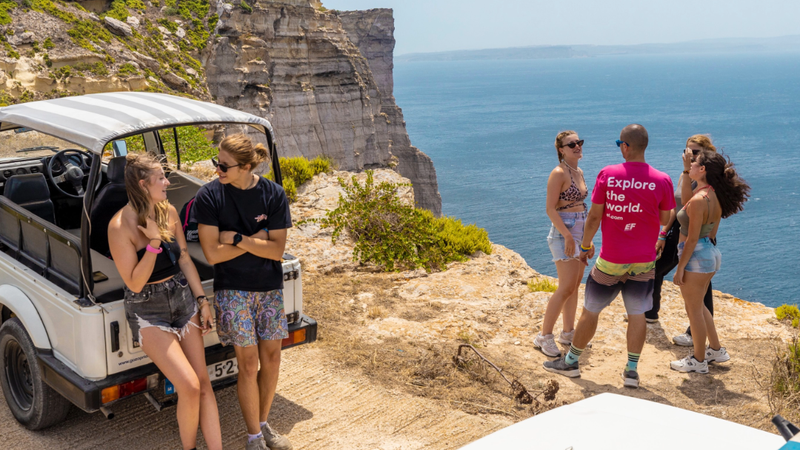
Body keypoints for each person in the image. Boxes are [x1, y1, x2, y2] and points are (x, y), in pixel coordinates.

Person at [543, 124, 675, 389]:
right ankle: (631, 371)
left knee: (591, 310)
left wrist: (585, 245)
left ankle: (570, 362)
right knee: (637, 313)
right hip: (644, 259)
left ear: (625, 147)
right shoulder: (662, 179)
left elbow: (594, 216)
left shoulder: (609, 175)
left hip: (612, 259)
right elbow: (665, 217)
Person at [108, 153, 222, 450]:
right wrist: (155, 243)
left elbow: (184, 258)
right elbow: (134, 281)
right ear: (144, 184)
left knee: (204, 384)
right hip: (148, 310)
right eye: (161, 178)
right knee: (189, 386)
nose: (167, 182)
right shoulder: (119, 226)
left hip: (182, 298)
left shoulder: (169, 210)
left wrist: (202, 300)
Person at [194, 134, 293, 450]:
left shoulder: (273, 194)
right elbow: (212, 255)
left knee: (273, 359)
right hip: (232, 290)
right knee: (249, 365)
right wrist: (257, 240)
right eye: (216, 163)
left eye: (224, 166)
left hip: (269, 288)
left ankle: (263, 426)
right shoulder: (209, 197)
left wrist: (236, 239)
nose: (217, 170)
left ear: (247, 166)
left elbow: (277, 252)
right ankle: (253, 439)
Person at [669, 149, 750, 373]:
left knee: (693, 310)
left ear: (702, 169)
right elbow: (711, 232)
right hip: (710, 253)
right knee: (700, 306)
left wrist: (680, 268)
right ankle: (715, 349)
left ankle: (698, 360)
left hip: (696, 255)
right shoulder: (713, 194)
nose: (691, 166)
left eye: (694, 163)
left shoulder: (698, 200)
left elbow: (692, 238)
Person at [647, 135, 717, 349]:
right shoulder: (684, 175)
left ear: (705, 155)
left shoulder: (706, 179)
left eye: (695, 152)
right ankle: (650, 312)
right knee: (655, 267)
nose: (689, 155)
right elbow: (677, 209)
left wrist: (688, 171)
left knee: (699, 284)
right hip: (677, 227)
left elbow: (689, 205)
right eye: (687, 151)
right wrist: (662, 233)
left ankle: (694, 334)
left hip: (694, 232)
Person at [534, 131, 589, 357]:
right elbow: (550, 209)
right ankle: (544, 336)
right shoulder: (558, 173)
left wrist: (586, 239)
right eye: (571, 144)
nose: (577, 146)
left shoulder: (578, 171)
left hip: (579, 229)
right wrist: (567, 236)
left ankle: (568, 332)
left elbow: (583, 208)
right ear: (561, 150)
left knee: (575, 286)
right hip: (563, 232)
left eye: (579, 142)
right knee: (566, 286)